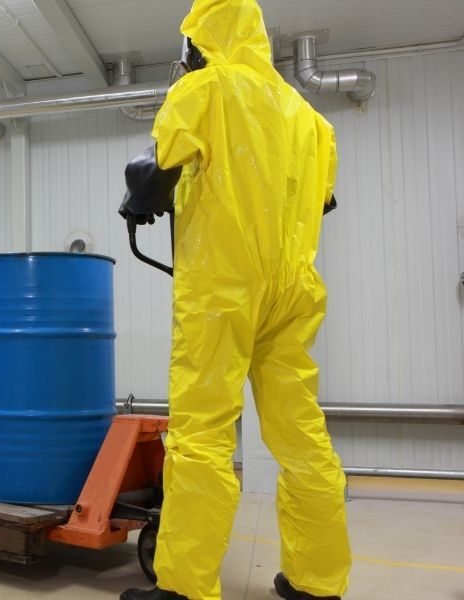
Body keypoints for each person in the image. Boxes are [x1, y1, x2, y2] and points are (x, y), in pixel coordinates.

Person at [117, 1, 349, 598]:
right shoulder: (310, 120)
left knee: (203, 432)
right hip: (292, 291)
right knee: (300, 432)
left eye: (191, 43)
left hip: (223, 289)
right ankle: (319, 579)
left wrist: (138, 200)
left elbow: (156, 169)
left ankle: (186, 585)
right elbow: (321, 201)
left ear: (204, 39)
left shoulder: (206, 88)